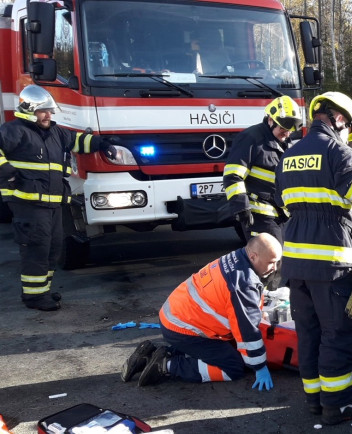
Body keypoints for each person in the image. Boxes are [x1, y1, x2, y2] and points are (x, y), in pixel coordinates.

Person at [274, 91, 352, 425]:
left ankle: (315, 401)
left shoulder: (290, 153)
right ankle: (338, 406)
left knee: (309, 335)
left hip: (295, 260)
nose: (346, 133)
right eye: (347, 126)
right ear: (339, 118)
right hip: (332, 262)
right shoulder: (339, 151)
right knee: (337, 335)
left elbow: (284, 205)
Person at [0, 85, 118, 311]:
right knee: (37, 248)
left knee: (53, 248)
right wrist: (7, 173)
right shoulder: (14, 131)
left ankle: (42, 290)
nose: (49, 115)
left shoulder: (55, 132)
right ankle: (33, 297)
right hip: (28, 204)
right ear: (29, 109)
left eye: (50, 111)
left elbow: (78, 141)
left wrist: (104, 144)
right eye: (44, 111)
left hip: (53, 203)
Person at [121, 233, 282, 389]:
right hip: (185, 329)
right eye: (271, 262)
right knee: (233, 366)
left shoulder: (237, 258)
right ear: (253, 256)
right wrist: (260, 366)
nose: (274, 268)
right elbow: (247, 331)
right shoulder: (243, 283)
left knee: (223, 349)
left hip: (175, 319)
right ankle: (166, 365)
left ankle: (151, 353)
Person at [223, 95, 302, 290]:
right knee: (268, 262)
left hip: (279, 214)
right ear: (270, 120)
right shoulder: (251, 138)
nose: (286, 133)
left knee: (281, 261)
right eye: (283, 128)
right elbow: (233, 175)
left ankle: (269, 302)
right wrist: (241, 207)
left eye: (290, 129)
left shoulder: (282, 142)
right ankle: (259, 304)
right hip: (258, 214)